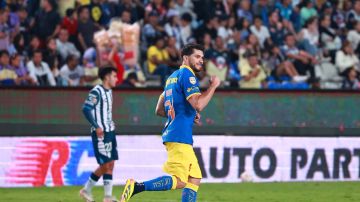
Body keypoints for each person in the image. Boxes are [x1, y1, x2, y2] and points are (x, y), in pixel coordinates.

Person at [120, 43, 220, 202]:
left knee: (194, 178)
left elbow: (159, 110)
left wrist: (187, 113)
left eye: (202, 57)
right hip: (180, 135)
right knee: (180, 181)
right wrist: (213, 87)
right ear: (186, 58)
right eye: (197, 56)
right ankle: (137, 186)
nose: (201, 60)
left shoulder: (172, 77)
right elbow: (199, 104)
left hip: (175, 133)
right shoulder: (188, 75)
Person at [79, 66, 119, 202]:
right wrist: (96, 126)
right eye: (114, 76)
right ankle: (86, 190)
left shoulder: (109, 91)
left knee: (111, 163)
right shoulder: (97, 91)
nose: (116, 79)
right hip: (100, 134)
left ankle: (107, 197)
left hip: (110, 131)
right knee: (105, 165)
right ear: (107, 77)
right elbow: (86, 108)